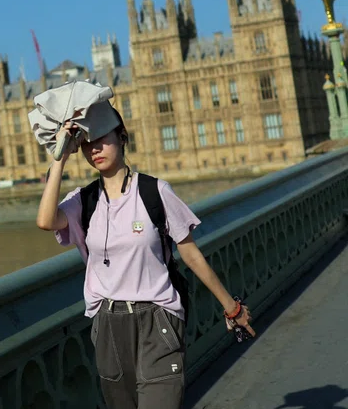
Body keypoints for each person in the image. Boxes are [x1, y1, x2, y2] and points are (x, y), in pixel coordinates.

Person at [35, 101, 255, 409]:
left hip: (157, 318)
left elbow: (190, 254)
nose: (95, 148)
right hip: (108, 323)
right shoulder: (83, 201)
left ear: (122, 137)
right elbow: (45, 221)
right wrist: (60, 156)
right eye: (86, 143)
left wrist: (231, 307)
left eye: (102, 138)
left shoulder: (155, 192)